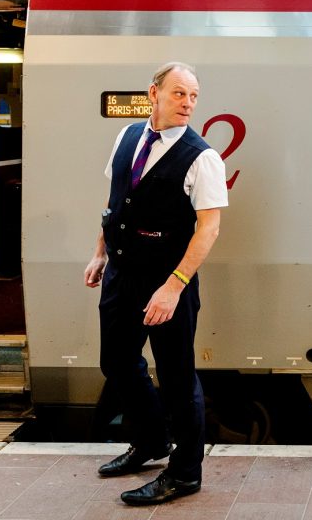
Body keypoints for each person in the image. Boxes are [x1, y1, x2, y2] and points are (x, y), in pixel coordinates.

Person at [83, 62, 227, 506]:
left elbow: (209, 229)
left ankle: (185, 474)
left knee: (178, 379)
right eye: (180, 93)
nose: (188, 103)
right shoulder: (127, 137)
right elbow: (116, 205)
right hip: (122, 276)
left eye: (194, 96)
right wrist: (100, 253)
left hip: (168, 283)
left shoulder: (202, 157)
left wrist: (174, 286)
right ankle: (150, 443)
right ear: (154, 93)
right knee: (118, 363)